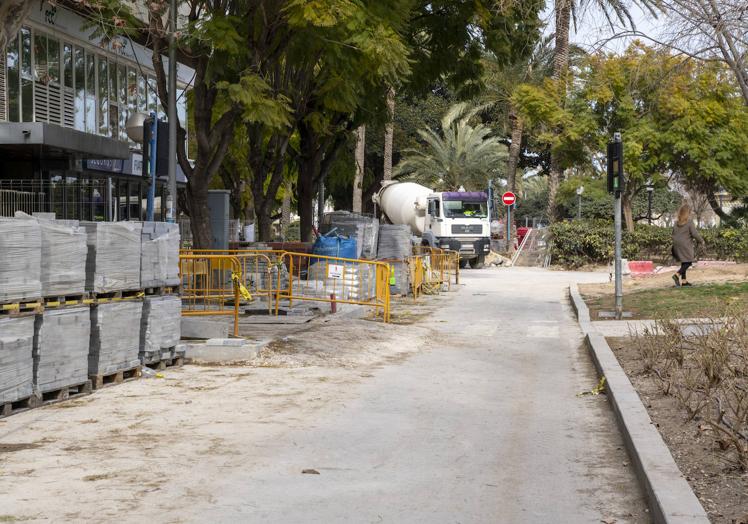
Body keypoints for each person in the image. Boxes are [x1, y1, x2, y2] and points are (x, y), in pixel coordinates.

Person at [671, 204, 703, 287]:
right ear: (687, 213)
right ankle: (676, 275)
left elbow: (673, 234)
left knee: (684, 261)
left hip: (676, 244)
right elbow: (695, 234)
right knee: (689, 261)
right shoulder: (689, 222)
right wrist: (701, 241)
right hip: (685, 245)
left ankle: (684, 282)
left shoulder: (675, 223)